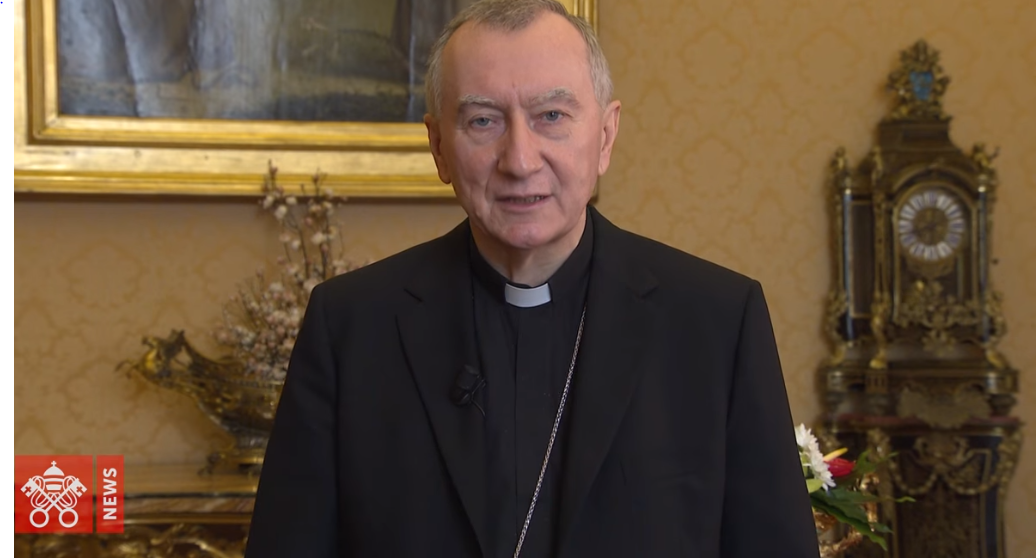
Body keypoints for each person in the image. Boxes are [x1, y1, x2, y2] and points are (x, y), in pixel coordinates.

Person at [244, 0, 820, 556]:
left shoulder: (717, 323)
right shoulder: (350, 329)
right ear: (438, 147)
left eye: (552, 117)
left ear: (605, 136)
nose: (519, 160)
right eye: (483, 121)